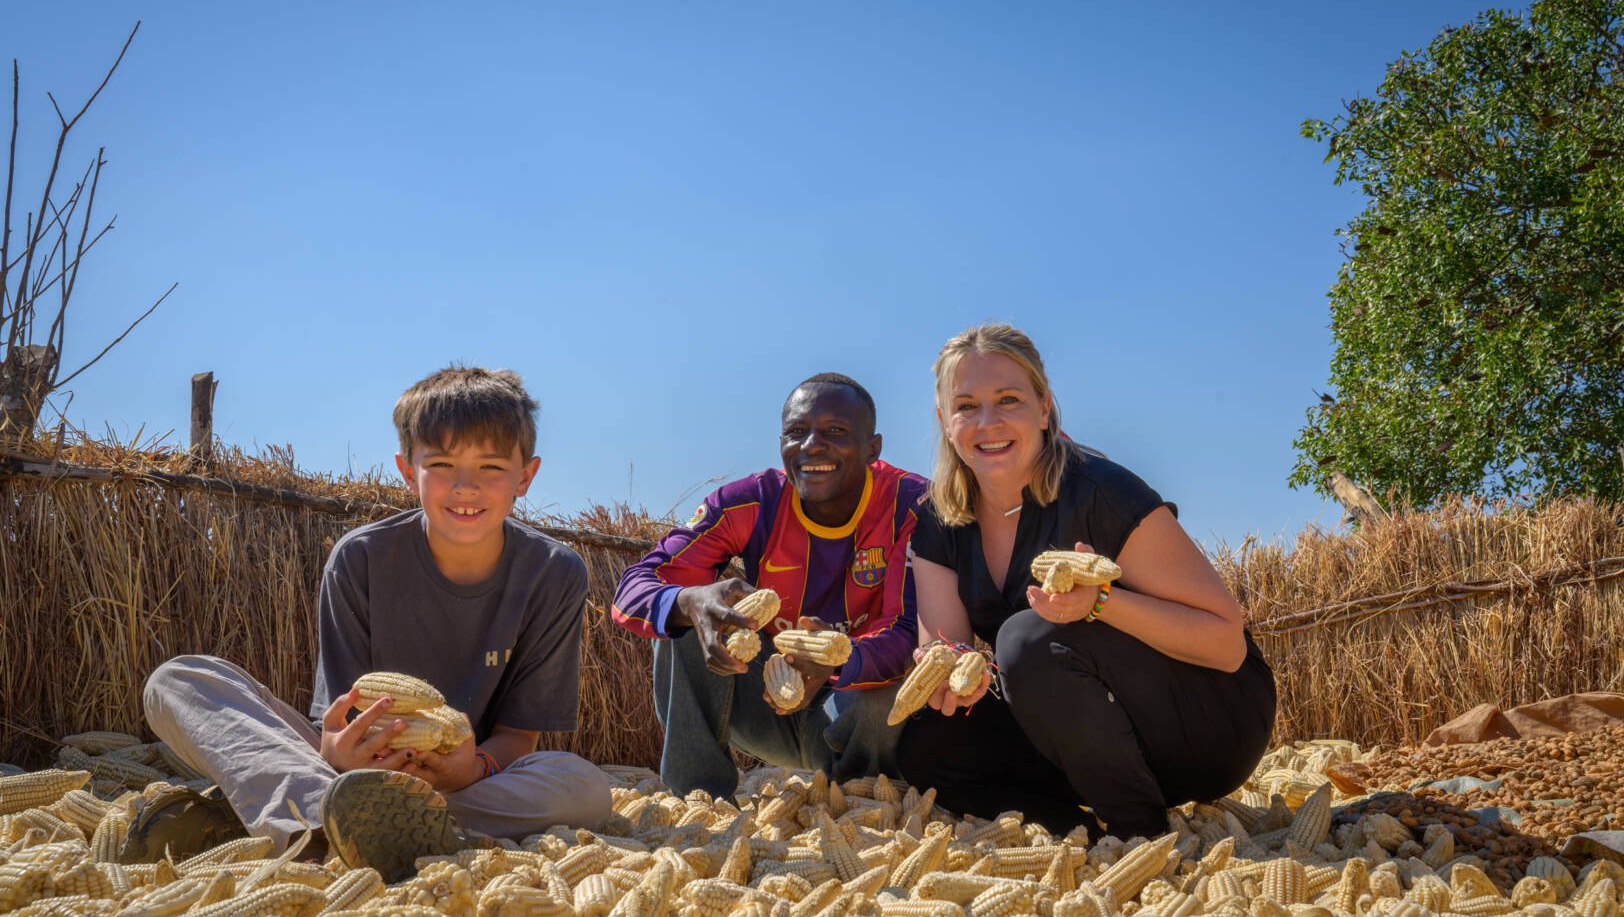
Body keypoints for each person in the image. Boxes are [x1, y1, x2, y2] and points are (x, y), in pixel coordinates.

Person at [139, 366, 611, 880]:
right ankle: (362, 817)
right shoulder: (361, 559)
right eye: (442, 464)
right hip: (348, 769)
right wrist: (340, 753)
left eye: (492, 466)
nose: (466, 486)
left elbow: (519, 737)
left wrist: (471, 767)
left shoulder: (554, 573)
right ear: (408, 471)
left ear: (525, 475)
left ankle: (317, 825)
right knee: (179, 680)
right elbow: (338, 720)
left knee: (584, 785)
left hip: (464, 779)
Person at [895, 324, 1276, 840]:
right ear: (944, 420)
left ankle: (1138, 836)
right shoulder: (940, 521)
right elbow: (944, 646)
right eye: (966, 406)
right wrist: (951, 674)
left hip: (1204, 725)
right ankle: (1075, 836)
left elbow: (1225, 644)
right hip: (1084, 740)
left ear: (1044, 406)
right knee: (928, 737)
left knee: (1025, 639)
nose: (988, 422)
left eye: (1009, 399)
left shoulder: (1101, 491)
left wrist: (1101, 604)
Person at [612, 373, 929, 800]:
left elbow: (910, 630)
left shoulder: (913, 505)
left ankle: (859, 803)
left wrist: (835, 661)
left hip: (850, 707)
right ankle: (698, 800)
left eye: (835, 431)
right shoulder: (751, 501)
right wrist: (689, 600)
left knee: (889, 696)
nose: (812, 445)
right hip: (764, 697)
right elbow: (634, 588)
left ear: (874, 447)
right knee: (684, 617)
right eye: (797, 432)